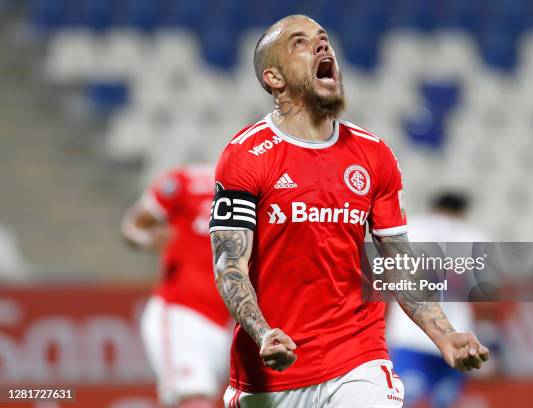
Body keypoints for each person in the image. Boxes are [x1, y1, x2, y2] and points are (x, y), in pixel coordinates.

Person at [209, 15, 489, 408]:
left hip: (358, 357)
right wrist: (263, 332)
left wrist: (443, 334)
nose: (323, 47)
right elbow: (229, 264)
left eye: (324, 40)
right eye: (300, 43)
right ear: (275, 79)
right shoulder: (246, 156)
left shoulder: (373, 155)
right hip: (272, 372)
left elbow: (398, 260)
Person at [122, 164, 232, 408]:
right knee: (193, 398)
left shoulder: (263, 189)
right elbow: (133, 224)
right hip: (182, 311)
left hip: (228, 320)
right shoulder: (188, 182)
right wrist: (149, 238)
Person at [387, 191, 489, 407]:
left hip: (409, 332)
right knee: (444, 402)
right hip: (455, 333)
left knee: (402, 400)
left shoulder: (410, 228)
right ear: (462, 212)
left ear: (433, 207)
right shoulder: (473, 237)